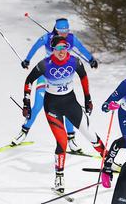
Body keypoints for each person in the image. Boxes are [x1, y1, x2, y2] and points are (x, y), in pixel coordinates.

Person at [22, 36, 105, 193]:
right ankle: (59, 177)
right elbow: (29, 80)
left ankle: (108, 161)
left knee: (90, 134)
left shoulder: (74, 61)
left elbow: (84, 77)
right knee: (62, 142)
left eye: (64, 48)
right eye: (58, 48)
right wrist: (26, 102)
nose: (62, 51)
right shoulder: (45, 64)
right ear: (53, 49)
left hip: (71, 103)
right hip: (53, 106)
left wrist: (88, 99)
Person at [13, 17, 98, 153]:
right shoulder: (47, 38)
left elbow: (81, 48)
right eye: (61, 31)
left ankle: (71, 139)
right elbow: (35, 46)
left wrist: (91, 60)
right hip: (46, 75)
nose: (64, 33)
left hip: (63, 76)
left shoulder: (71, 39)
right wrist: (27, 60)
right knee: (38, 104)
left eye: (66, 30)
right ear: (56, 29)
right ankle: (24, 131)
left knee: (69, 107)